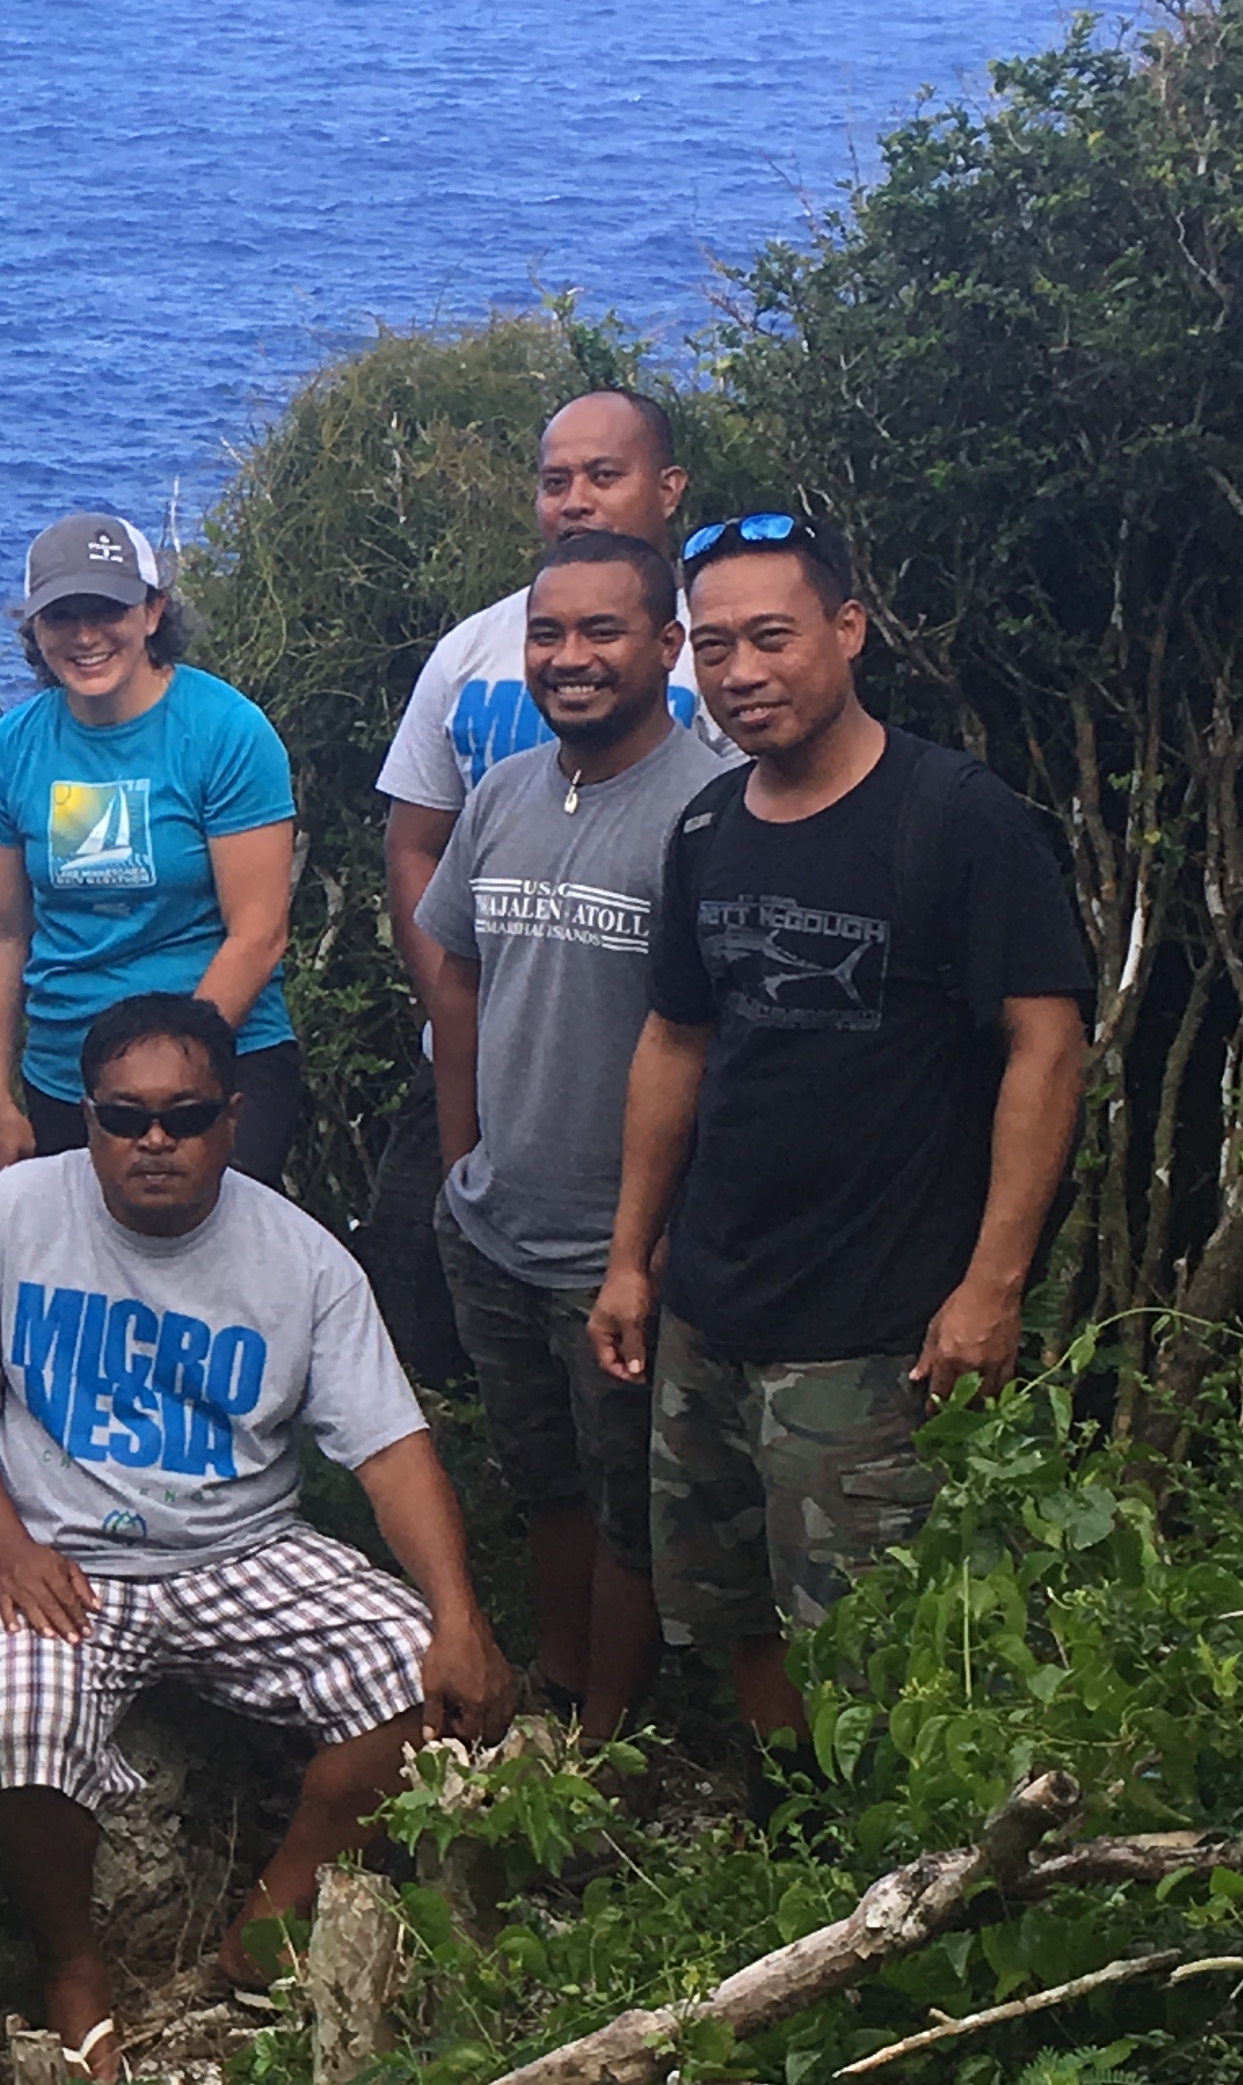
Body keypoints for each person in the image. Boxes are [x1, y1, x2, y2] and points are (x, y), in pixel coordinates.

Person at [0, 996, 514, 2078]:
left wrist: (460, 1614)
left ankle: (268, 1921)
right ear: (87, 1119)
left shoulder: (302, 1258)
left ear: (230, 1118)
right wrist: (4, 1545)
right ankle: (73, 1964)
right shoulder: (13, 1216)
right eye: (124, 1118)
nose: (154, 1142)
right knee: (17, 1728)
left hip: (243, 1547)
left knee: (428, 1686)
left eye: (183, 1116)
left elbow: (393, 1451)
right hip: (64, 1556)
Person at [590, 515, 1091, 1751]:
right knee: (736, 1603)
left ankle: (892, 1881)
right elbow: (677, 1043)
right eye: (715, 647)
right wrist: (629, 1259)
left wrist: (993, 1285)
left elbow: (1049, 1046)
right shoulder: (710, 830)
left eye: (773, 638)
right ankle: (790, 1835)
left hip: (871, 1330)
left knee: (874, 1637)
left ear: (848, 632)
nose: (743, 673)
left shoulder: (956, 818)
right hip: (715, 1303)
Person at [366, 389, 734, 1387]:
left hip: (652, 1068)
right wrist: (453, 1001)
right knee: (430, 1315)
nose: (575, 500)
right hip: (492, 1052)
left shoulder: (726, 640)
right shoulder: (476, 648)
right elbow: (415, 839)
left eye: (602, 476)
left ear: (667, 488)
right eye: (555, 480)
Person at [413, 533, 692, 1742]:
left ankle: (608, 1739)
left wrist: (651, 1240)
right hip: (495, 1223)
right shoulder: (501, 796)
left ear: (666, 647)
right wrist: (459, 1161)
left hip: (615, 1250)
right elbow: (459, 981)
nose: (570, 659)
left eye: (602, 633)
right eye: (548, 634)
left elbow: (708, 1047)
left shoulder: (706, 814)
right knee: (543, 1487)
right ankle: (559, 1689)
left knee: (634, 1506)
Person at [0, 512, 305, 1188]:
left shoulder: (226, 731)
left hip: (217, 1063)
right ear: (34, 629)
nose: (87, 636)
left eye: (108, 610)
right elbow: (1, 933)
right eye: (63, 616)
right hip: (67, 1072)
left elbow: (259, 933)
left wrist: (170, 1074)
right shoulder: (10, 750)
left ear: (152, 612)